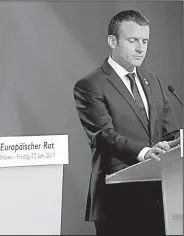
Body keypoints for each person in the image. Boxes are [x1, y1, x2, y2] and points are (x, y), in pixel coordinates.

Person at [73, 10, 180, 236]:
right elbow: (104, 135)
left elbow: (170, 133)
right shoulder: (90, 85)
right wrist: (145, 152)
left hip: (161, 199)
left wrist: (176, 144)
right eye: (133, 41)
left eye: (145, 41)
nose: (141, 48)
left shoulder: (153, 80)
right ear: (112, 41)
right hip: (118, 203)